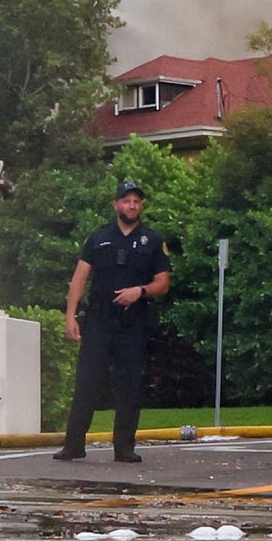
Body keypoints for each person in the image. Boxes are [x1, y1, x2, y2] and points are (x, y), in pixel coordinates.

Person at [58, 178, 175, 464]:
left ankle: (124, 447)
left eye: (136, 201)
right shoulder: (98, 237)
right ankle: (73, 445)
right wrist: (70, 316)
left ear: (141, 205)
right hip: (99, 319)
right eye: (126, 200)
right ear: (116, 204)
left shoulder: (153, 239)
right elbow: (79, 278)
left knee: (129, 385)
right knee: (87, 382)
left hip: (132, 323)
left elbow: (163, 283)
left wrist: (140, 291)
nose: (131, 205)